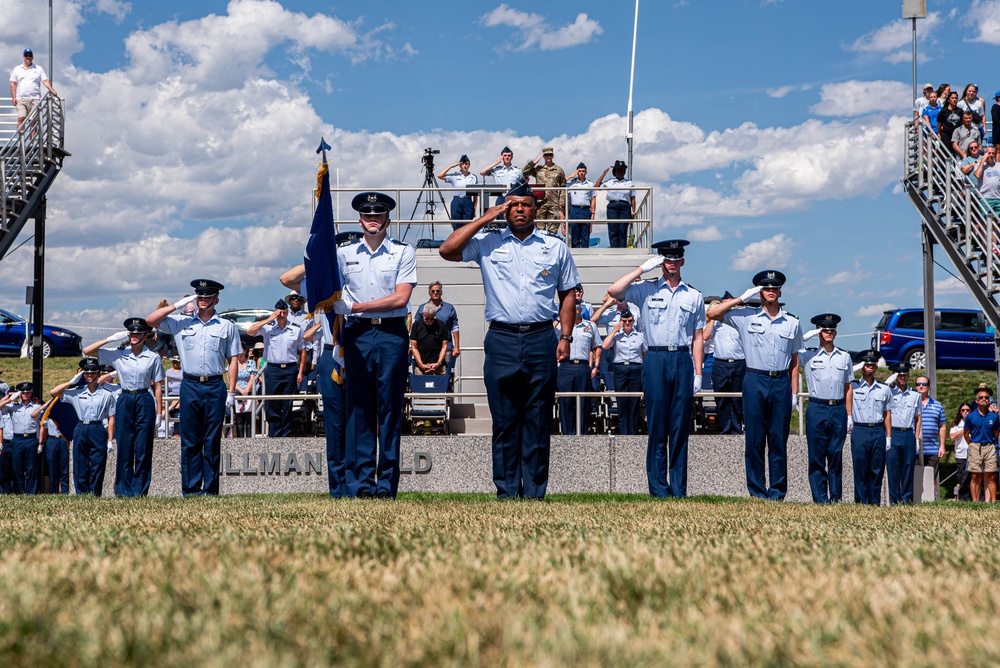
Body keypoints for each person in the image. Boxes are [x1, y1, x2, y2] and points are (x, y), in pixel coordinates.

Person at [439, 179, 579, 499]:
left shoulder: (555, 246)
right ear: (505, 208)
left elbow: (568, 292)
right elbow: (447, 249)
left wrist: (566, 337)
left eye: (525, 205)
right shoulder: (488, 242)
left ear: (535, 209)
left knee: (538, 420)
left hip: (541, 338)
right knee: (504, 421)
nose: (519, 210)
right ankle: (506, 491)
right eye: (513, 205)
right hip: (501, 340)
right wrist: (486, 218)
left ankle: (534, 492)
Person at [333, 191, 416, 500]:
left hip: (392, 334)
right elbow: (322, 284)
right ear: (360, 220)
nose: (372, 220)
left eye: (378, 215)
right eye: (367, 215)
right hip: (357, 336)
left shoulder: (402, 252)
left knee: (390, 409)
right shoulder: (344, 254)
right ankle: (362, 485)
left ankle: (386, 486)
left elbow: (401, 298)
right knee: (359, 409)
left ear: (387, 220)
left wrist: (355, 307)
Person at [607, 239, 705, 498]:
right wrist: (642, 268)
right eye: (666, 259)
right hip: (655, 359)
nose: (671, 264)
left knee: (680, 427)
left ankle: (679, 489)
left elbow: (697, 337)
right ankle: (658, 488)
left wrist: (698, 373)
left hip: (681, 359)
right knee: (657, 426)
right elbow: (615, 290)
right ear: (661, 262)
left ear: (682, 261)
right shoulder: (645, 289)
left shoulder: (693, 296)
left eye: (675, 259)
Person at [707, 270, 803, 500]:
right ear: (759, 292)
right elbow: (712, 313)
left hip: (780, 381)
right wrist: (741, 298)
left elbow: (794, 361)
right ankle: (757, 491)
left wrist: (794, 392)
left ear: (780, 291)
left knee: (778, 440)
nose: (770, 292)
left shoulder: (792, 322)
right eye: (765, 288)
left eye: (774, 288)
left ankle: (778, 491)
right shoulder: (745, 316)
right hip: (754, 379)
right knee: (755, 439)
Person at [146, 279, 242, 497]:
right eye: (199, 296)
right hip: (189, 384)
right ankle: (190, 489)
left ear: (216, 300)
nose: (202, 300)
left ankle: (210, 490)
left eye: (207, 297)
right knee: (190, 440)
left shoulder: (227, 326)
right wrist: (178, 305)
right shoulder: (181, 322)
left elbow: (233, 359)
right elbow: (150, 321)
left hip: (215, 384)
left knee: (211, 440)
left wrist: (232, 391)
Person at [280, 263, 348, 499]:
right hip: (332, 353)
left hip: (358, 351)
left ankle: (360, 482)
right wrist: (319, 257)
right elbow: (287, 279)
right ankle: (338, 487)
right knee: (334, 425)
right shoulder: (322, 285)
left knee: (360, 422)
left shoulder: (364, 278)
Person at [84, 318, 165, 497]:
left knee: (143, 447)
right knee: (125, 446)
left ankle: (140, 490)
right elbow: (87, 351)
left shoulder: (153, 357)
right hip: (125, 397)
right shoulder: (118, 353)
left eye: (138, 333)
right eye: (131, 333)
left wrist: (159, 412)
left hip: (144, 397)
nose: (134, 336)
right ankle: (124, 490)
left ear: (145, 335)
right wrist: (110, 339)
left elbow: (158, 385)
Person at [798, 314, 853, 504]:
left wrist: (849, 414)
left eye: (831, 329)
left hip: (837, 409)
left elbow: (848, 387)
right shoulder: (808, 355)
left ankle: (836, 497)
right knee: (816, 455)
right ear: (819, 332)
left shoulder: (844, 356)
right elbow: (791, 352)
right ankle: (820, 498)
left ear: (835, 332)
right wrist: (805, 337)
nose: (828, 332)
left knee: (836, 455)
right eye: (824, 329)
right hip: (817, 407)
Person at [49, 358, 117, 495]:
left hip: (97, 428)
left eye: (93, 373)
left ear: (98, 374)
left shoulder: (107, 395)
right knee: (80, 462)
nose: (89, 375)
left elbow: (111, 417)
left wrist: (110, 440)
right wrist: (71, 382)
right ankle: (82, 493)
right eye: (86, 373)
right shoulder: (77, 391)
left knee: (98, 463)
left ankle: (95, 493)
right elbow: (53, 392)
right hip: (81, 427)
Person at [247, 299, 306, 437]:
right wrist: (269, 319)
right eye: (279, 313)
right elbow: (250, 331)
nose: (282, 315)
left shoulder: (296, 329)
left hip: (290, 369)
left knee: (287, 404)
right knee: (272, 403)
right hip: (273, 369)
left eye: (284, 312)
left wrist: (301, 372)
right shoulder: (268, 328)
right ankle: (274, 435)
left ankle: (285, 435)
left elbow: (303, 351)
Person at [849, 351, 892, 505]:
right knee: (860, 468)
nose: (870, 367)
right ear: (861, 366)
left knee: (877, 469)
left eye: (872, 364)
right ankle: (861, 501)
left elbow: (887, 414)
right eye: (866, 364)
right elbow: (841, 382)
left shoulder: (884, 389)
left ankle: (874, 502)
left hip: (877, 430)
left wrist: (888, 436)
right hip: (860, 430)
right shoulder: (852, 386)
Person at [556, 299, 600, 435]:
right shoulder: (560, 327)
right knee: (565, 402)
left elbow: (597, 346)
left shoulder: (590, 326)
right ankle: (567, 434)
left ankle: (582, 433)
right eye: (572, 308)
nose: (575, 310)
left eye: (577, 308)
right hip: (565, 366)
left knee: (583, 402)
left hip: (582, 366)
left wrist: (596, 366)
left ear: (581, 310)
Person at [601, 309, 646, 435]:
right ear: (621, 321)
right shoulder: (616, 335)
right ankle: (623, 432)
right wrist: (615, 330)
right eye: (624, 321)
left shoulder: (640, 336)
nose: (627, 323)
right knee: (622, 401)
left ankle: (633, 432)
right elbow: (605, 346)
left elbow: (644, 353)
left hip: (635, 368)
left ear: (633, 321)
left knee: (634, 401)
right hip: (620, 368)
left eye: (630, 321)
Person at [707, 291, 746, 435]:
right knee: (721, 398)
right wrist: (713, 318)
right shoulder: (716, 324)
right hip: (721, 364)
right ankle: (724, 428)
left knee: (737, 398)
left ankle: (736, 429)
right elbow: (705, 336)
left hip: (739, 363)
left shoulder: (740, 322)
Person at [885, 362, 921, 505]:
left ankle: (907, 500)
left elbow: (918, 418)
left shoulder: (915, 395)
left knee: (907, 469)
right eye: (899, 375)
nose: (902, 377)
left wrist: (916, 438)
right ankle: (894, 501)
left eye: (905, 374)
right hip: (893, 432)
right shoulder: (889, 392)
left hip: (908, 434)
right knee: (893, 469)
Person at [0, 382, 41, 494]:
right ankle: (18, 491)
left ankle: (31, 492)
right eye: (23, 392)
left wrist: (40, 442)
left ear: (31, 393)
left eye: (27, 392)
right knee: (17, 466)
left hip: (31, 438)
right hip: (17, 439)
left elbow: (42, 424)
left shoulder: (36, 407)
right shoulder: (13, 407)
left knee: (31, 467)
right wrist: (9, 398)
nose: (25, 394)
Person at [414, 282, 460, 376]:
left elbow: (455, 327)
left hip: (446, 347)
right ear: (429, 293)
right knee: (424, 376)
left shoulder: (449, 308)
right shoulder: (422, 308)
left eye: (438, 291)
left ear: (441, 292)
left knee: (445, 374)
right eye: (433, 291)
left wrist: (457, 346)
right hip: (425, 349)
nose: (435, 293)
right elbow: (416, 327)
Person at [964, 385, 999, 503]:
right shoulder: (971, 416)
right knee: (975, 476)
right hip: (975, 446)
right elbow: (966, 433)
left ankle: (993, 503)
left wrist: (991, 442)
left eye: (986, 397)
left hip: (989, 446)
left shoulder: (994, 417)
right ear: (977, 401)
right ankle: (975, 502)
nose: (984, 399)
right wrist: (972, 444)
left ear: (989, 400)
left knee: (991, 476)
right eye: (981, 397)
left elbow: (996, 432)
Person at [9, 48, 57, 130]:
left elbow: (45, 81)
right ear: (23, 57)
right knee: (21, 117)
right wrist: (13, 97)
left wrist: (52, 91)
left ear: (32, 57)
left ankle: (32, 142)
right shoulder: (17, 69)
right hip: (21, 98)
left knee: (33, 120)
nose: (28, 57)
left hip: (35, 99)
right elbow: (13, 84)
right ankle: (21, 140)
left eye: (30, 55)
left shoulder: (38, 69)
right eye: (26, 55)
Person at [522, 147, 566, 234]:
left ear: (553, 156)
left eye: (550, 155)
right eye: (546, 155)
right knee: (540, 230)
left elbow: (563, 187)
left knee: (553, 230)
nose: (548, 157)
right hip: (540, 202)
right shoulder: (538, 169)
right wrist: (534, 162)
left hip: (554, 202)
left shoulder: (559, 170)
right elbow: (523, 172)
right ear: (543, 157)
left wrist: (561, 202)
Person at [594, 160, 636, 249]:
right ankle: (614, 249)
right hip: (613, 206)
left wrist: (633, 211)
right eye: (618, 170)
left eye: (622, 171)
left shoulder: (629, 183)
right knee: (613, 229)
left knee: (623, 229)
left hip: (625, 206)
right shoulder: (610, 182)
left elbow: (633, 198)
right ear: (614, 172)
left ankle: (622, 249)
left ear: (624, 172)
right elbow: (596, 186)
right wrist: (603, 174)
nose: (620, 172)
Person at [916, 374, 947, 486]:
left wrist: (942, 445)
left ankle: (931, 501)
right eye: (918, 384)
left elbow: (942, 426)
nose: (920, 386)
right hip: (915, 448)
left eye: (924, 384)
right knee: (915, 478)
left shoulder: (938, 405)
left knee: (931, 478)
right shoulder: (911, 404)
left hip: (932, 448)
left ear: (928, 387)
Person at [437, 155, 479, 229]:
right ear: (460, 165)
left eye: (466, 164)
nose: (464, 166)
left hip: (468, 200)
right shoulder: (455, 176)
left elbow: (475, 195)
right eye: (463, 164)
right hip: (457, 200)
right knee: (456, 223)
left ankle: (466, 240)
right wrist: (451, 166)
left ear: (469, 165)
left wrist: (474, 208)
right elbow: (440, 176)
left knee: (467, 225)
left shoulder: (473, 177)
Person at [409, 303, 448, 375]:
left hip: (439, 367)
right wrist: (421, 364)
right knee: (419, 386)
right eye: (427, 318)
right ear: (423, 314)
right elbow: (414, 347)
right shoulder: (416, 326)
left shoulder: (441, 325)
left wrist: (438, 363)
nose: (429, 321)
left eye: (432, 319)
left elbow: (444, 346)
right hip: (420, 367)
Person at [565, 162, 596, 248]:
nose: (581, 173)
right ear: (577, 172)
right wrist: (571, 176)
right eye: (579, 171)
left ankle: (585, 254)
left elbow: (593, 200)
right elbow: (559, 183)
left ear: (586, 172)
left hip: (586, 210)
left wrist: (593, 214)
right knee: (575, 234)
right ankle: (576, 255)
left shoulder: (590, 184)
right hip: (575, 209)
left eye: (583, 171)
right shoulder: (571, 183)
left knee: (585, 235)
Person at [233, 343, 259, 437]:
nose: (240, 352)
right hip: (237, 392)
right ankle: (239, 439)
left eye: (242, 350)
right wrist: (241, 391)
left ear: (245, 351)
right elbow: (230, 379)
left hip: (248, 392)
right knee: (239, 419)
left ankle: (249, 439)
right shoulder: (233, 363)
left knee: (249, 419)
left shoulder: (251, 363)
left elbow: (252, 378)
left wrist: (246, 391)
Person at [951, 402, 973, 501]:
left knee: (973, 477)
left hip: (973, 454)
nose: (965, 412)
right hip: (961, 454)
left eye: (967, 410)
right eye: (963, 410)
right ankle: (964, 498)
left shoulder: (975, 421)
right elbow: (952, 436)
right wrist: (965, 430)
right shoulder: (956, 423)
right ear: (960, 412)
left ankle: (974, 498)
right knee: (962, 477)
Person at [974, 145, 1000, 216]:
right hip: (985, 198)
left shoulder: (998, 165)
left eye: (992, 153)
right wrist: (982, 161)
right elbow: (977, 175)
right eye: (989, 153)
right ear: (985, 154)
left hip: (997, 198)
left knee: (996, 221)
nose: (991, 155)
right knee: (985, 221)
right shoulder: (980, 165)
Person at [165, 356, 183, 436]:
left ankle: (177, 432)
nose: (175, 363)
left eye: (176, 362)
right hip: (170, 395)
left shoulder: (183, 372)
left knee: (178, 412)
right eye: (174, 362)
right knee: (171, 410)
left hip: (180, 395)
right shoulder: (168, 372)